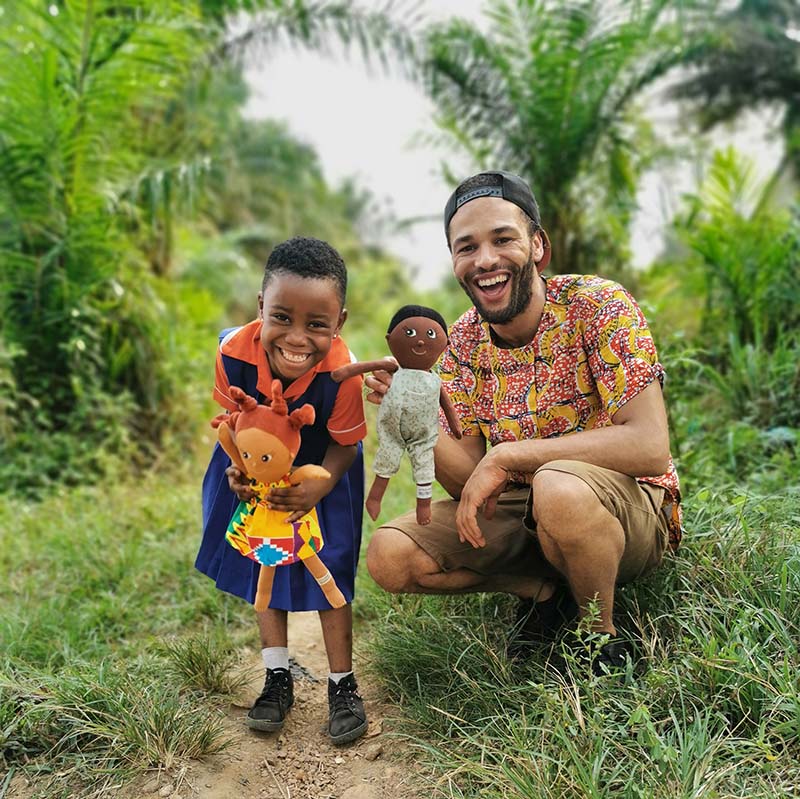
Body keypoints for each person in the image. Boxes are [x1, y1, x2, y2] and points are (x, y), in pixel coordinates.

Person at [365, 171, 682, 673]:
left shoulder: (597, 306)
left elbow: (649, 447)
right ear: (454, 263)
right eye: (466, 247)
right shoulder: (464, 340)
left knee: (558, 487)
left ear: (538, 246)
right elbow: (468, 476)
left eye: (503, 239)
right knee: (389, 555)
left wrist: (511, 454)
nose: (485, 260)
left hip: (624, 507)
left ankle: (599, 636)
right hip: (525, 507)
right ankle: (541, 590)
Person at [196, 236, 369, 743]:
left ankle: (343, 683)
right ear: (260, 309)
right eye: (282, 317)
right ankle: (277, 676)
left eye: (317, 324)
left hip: (323, 466)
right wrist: (239, 472)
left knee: (329, 566)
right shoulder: (233, 353)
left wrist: (321, 486)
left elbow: (346, 446)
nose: (297, 337)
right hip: (255, 467)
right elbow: (233, 424)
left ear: (339, 323)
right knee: (263, 558)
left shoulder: (344, 374)